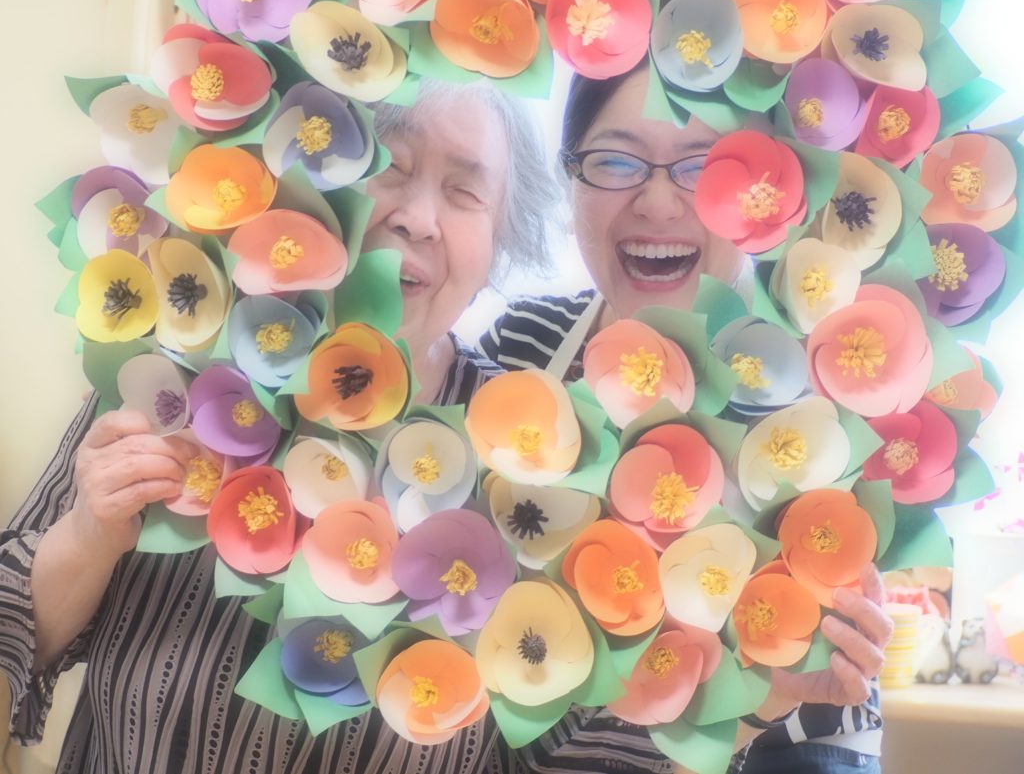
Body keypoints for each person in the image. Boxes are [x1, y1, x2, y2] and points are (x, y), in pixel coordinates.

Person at [0, 79, 560, 774]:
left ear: (503, 238)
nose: (419, 219)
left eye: (465, 192)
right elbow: (11, 624)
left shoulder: (530, 469)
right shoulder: (177, 373)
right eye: (392, 165)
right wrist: (90, 536)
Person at [480, 64, 892, 774]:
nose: (659, 201)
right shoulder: (521, 351)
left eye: (706, 167)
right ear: (569, 175)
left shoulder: (825, 401)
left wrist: (757, 703)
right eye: (615, 161)